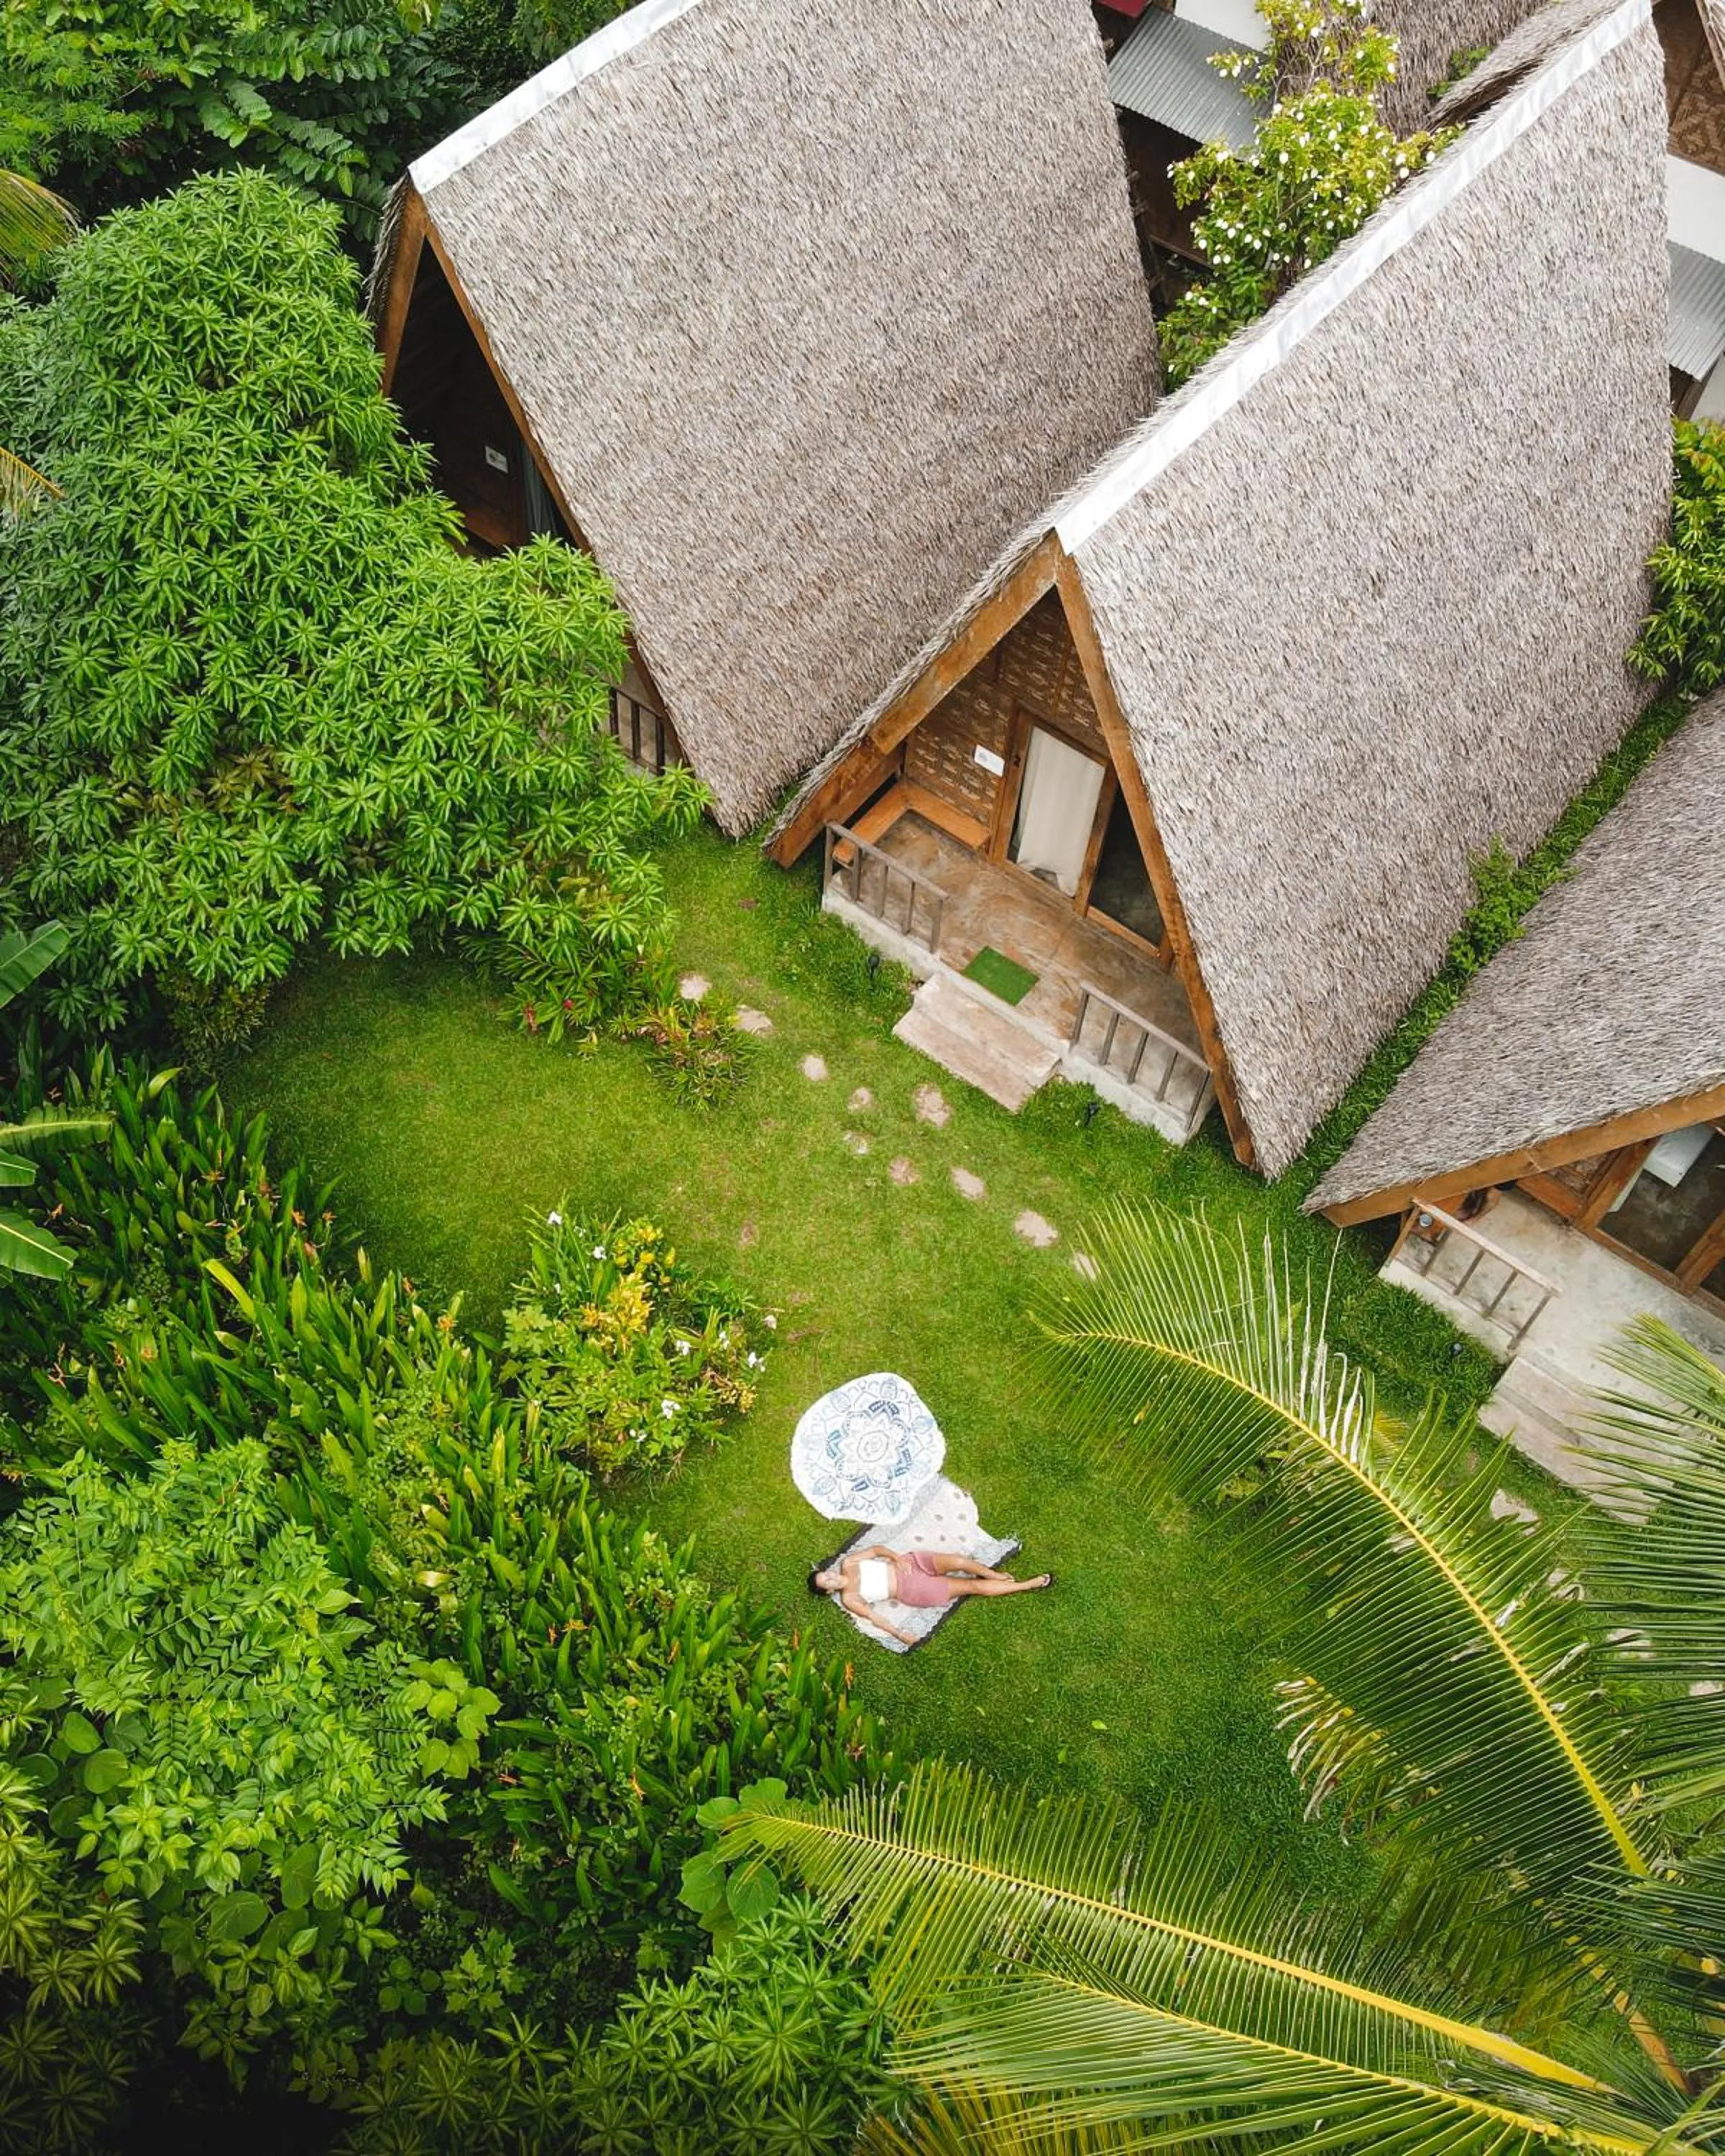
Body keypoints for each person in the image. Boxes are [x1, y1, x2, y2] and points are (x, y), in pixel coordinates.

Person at [810, 1545, 1052, 1649]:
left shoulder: (849, 1563)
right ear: (830, 1591)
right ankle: (1028, 1584)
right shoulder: (849, 1598)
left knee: (958, 1561)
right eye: (827, 1583)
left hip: (911, 1562)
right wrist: (899, 1634)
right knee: (971, 1587)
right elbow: (873, 1617)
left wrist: (895, 1558)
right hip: (914, 1589)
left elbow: (876, 1550)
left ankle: (994, 1574)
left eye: (827, 1575)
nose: (831, 1578)